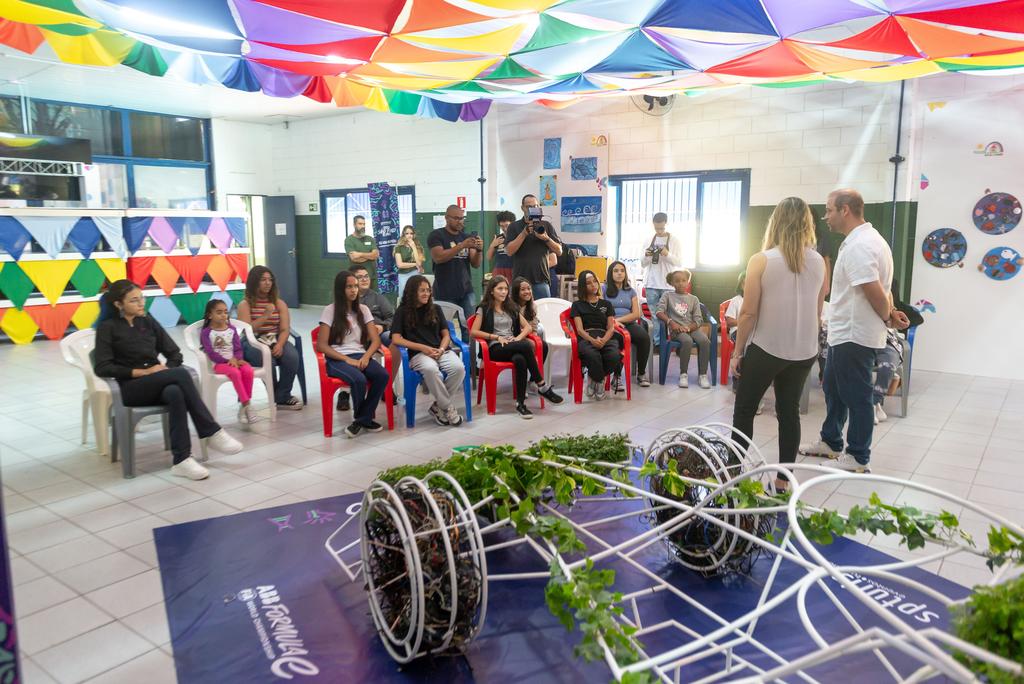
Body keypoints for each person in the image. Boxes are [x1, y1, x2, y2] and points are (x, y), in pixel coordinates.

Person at [801, 189, 910, 473]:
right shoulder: (866, 241)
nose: (825, 217)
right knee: (833, 388)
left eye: (829, 210)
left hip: (855, 333)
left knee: (857, 396)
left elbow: (873, 289)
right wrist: (891, 312)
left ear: (845, 210)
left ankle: (858, 457)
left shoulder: (861, 245)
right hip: (843, 330)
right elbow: (882, 288)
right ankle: (831, 442)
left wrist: (887, 317)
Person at [93, 280, 242, 480]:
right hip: (131, 388)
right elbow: (102, 367)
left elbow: (174, 354)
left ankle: (181, 460)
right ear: (118, 304)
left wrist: (165, 372)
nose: (141, 304)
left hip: (157, 382)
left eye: (141, 298)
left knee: (175, 391)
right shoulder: (107, 328)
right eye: (134, 301)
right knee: (181, 375)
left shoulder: (147, 321)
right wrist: (142, 372)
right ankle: (210, 431)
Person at [729, 197, 827, 492]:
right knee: (789, 413)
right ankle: (784, 481)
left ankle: (732, 475)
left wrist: (737, 352)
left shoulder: (762, 260)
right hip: (804, 349)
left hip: (767, 347)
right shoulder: (819, 261)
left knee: (745, 410)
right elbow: (818, 308)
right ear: (807, 223)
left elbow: (747, 313)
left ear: (775, 221)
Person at [471, 276, 563, 418]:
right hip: (495, 347)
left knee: (520, 359)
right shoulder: (484, 309)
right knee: (526, 347)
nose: (503, 292)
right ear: (491, 291)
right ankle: (542, 385)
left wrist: (517, 339)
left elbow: (526, 327)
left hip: (512, 344)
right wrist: (495, 337)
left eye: (505, 289)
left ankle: (520, 404)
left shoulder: (511, 307)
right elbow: (474, 331)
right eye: (500, 289)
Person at [317, 271, 388, 438]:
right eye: (349, 286)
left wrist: (366, 357)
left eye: (355, 286)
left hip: (360, 355)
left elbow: (376, 341)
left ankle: (361, 420)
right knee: (358, 379)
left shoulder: (363, 310)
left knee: (382, 375)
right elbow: (321, 345)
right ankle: (364, 419)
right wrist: (347, 360)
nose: (353, 290)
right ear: (340, 289)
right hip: (337, 358)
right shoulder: (330, 310)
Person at [392, 274, 467, 426]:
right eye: (422, 290)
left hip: (440, 351)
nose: (426, 293)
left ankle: (437, 407)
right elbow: (396, 339)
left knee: (459, 368)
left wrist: (441, 348)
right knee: (432, 370)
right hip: (418, 355)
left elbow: (446, 335)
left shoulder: (435, 309)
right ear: (412, 292)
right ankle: (449, 408)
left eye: (428, 290)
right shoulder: (402, 312)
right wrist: (423, 348)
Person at [237, 266, 302, 411]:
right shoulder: (245, 304)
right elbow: (247, 329)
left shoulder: (279, 303)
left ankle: (282, 396)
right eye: (263, 280)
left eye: (270, 280)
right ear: (254, 282)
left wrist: (280, 344)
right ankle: (276, 396)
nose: (267, 283)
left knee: (292, 356)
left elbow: (285, 329)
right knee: (268, 360)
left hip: (274, 338)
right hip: (253, 341)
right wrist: (266, 315)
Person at [336, 264, 396, 412]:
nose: (364, 280)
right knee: (349, 347)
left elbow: (392, 317)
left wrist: (383, 327)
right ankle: (344, 393)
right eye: (359, 277)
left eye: (366, 276)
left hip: (378, 333)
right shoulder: (345, 302)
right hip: (356, 338)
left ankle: (386, 387)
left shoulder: (377, 297)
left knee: (395, 341)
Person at [199, 299, 259, 426]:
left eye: (226, 312)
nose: (223, 315)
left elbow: (237, 348)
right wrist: (228, 360)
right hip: (220, 364)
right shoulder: (206, 333)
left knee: (248, 370)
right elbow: (211, 354)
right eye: (219, 312)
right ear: (210, 315)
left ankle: (244, 407)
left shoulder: (231, 329)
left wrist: (237, 359)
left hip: (234, 361)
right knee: (235, 373)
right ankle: (247, 405)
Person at [570, 270, 621, 400]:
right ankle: (600, 382)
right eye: (588, 283)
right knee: (592, 355)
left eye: (594, 281)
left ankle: (594, 379)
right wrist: (592, 340)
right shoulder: (577, 305)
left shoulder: (606, 304)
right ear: (583, 286)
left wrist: (603, 340)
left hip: (606, 336)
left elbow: (611, 327)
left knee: (614, 355)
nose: (593, 285)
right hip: (587, 336)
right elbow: (579, 330)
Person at [656, 270, 711, 389]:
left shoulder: (694, 299)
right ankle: (683, 374)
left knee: (705, 341)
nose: (681, 283)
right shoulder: (668, 296)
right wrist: (671, 322)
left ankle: (703, 375)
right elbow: (659, 312)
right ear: (672, 283)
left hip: (692, 328)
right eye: (677, 281)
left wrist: (688, 327)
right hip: (677, 331)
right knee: (687, 341)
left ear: (688, 282)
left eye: (683, 280)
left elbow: (698, 320)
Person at [603, 261, 651, 388]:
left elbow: (636, 314)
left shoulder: (631, 291)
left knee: (644, 338)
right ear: (610, 273)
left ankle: (641, 374)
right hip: (610, 325)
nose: (619, 273)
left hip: (628, 323)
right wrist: (614, 322)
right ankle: (617, 377)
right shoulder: (603, 289)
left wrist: (620, 320)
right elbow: (601, 310)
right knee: (620, 339)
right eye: (616, 271)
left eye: (622, 271)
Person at [428, 204, 482, 318]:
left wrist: (479, 250)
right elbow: (438, 258)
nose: (460, 221)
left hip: (466, 290)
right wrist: (462, 246)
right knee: (446, 327)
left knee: (469, 327)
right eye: (456, 218)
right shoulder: (436, 235)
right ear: (447, 218)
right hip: (445, 291)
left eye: (462, 218)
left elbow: (476, 264)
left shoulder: (466, 237)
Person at [505, 194, 563, 299]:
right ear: (522, 208)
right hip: (520, 280)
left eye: (536, 206)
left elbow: (559, 251)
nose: (533, 209)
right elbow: (509, 251)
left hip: (541, 280)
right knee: (519, 313)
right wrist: (524, 233)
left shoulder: (546, 225)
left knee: (542, 312)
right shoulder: (514, 226)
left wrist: (546, 238)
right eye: (529, 207)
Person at [641, 212, 685, 347]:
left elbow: (679, 262)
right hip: (651, 284)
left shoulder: (674, 240)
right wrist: (647, 255)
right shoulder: (649, 239)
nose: (659, 231)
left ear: (666, 224)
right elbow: (643, 263)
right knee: (654, 316)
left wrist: (667, 254)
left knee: (670, 316)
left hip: (667, 285)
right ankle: (658, 344)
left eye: (661, 228)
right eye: (656, 228)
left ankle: (673, 343)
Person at [872, 329, 903, 424]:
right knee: (862, 368)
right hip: (861, 340)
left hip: (887, 341)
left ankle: (873, 402)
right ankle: (873, 406)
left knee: (887, 367)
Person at [345, 215, 379, 287]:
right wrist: (370, 255)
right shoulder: (349, 240)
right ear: (354, 225)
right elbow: (354, 258)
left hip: (371, 276)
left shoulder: (370, 239)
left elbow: (375, 255)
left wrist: (360, 254)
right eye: (360, 224)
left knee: (371, 297)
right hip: (357, 278)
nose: (363, 226)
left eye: (364, 224)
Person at [394, 225, 425, 296]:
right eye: (407, 233)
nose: (409, 235)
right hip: (403, 274)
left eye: (411, 233)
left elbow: (419, 263)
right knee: (404, 296)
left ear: (414, 235)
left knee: (416, 295)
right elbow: (400, 265)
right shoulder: (398, 247)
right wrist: (414, 264)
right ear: (403, 235)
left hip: (415, 273)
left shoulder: (418, 247)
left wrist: (414, 247)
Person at [487, 211, 516, 282]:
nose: (505, 229)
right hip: (499, 271)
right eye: (502, 226)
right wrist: (492, 245)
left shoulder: (517, 237)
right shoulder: (498, 238)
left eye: (507, 225)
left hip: (514, 270)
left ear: (513, 224)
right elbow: (488, 257)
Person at [724, 271, 746, 340]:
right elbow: (729, 322)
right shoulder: (736, 300)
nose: (747, 286)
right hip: (737, 331)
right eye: (744, 284)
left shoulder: (757, 300)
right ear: (740, 286)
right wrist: (747, 321)